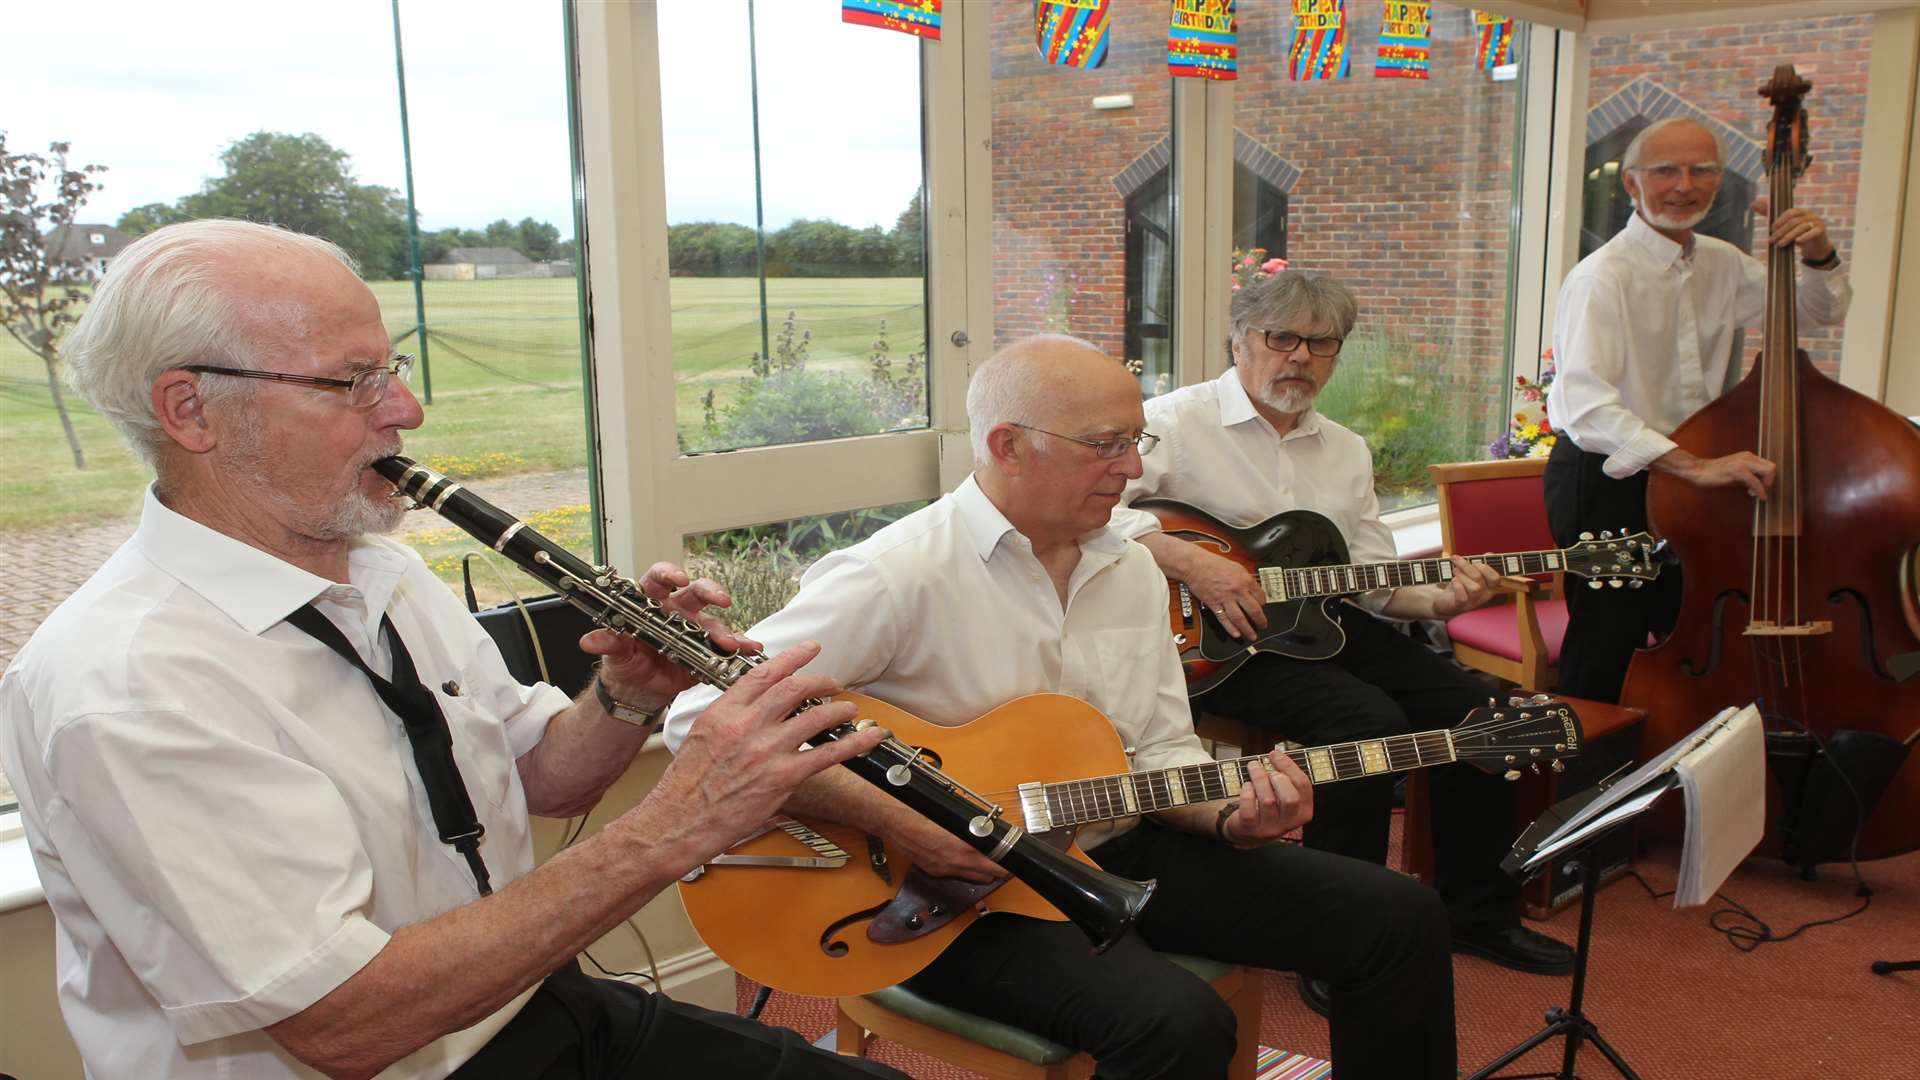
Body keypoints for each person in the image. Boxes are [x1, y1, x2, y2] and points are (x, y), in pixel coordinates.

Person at [0, 219, 903, 1080]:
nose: (408, 409)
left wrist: (627, 693)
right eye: (351, 381)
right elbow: (348, 1024)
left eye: (388, 368)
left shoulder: (382, 572)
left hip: (523, 1015)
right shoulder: (127, 685)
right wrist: (685, 818)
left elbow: (542, 779)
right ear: (190, 409)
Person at [665, 335, 1459, 1080]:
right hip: (942, 892)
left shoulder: (1134, 570)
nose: (1131, 471)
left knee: (1398, 914)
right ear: (1009, 445)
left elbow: (1158, 751)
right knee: (1175, 1024)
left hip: (1114, 842)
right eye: (1105, 445)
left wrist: (1228, 818)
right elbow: (701, 717)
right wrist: (906, 825)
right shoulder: (897, 575)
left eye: (1136, 442)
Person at [1108, 271, 1575, 1016]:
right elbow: (1094, 516)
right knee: (1366, 723)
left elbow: (1373, 580)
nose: (1299, 357)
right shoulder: (1170, 422)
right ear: (1240, 341)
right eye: (1281, 337)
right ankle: (1334, 930)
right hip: (1211, 640)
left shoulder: (1346, 450)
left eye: (1319, 343)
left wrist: (1444, 597)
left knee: (1481, 706)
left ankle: (1476, 911)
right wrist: (1191, 560)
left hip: (1320, 619)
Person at [1545, 116, 1851, 702]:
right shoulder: (1600, 278)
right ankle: (1591, 777)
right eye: (1665, 170)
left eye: (1701, 170)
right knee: (1610, 637)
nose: (1684, 184)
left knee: (1688, 619)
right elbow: (1583, 405)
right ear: (1632, 185)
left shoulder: (1722, 262)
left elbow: (1815, 313)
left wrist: (1819, 254)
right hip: (1608, 479)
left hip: (1691, 474)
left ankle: (1680, 750)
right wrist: (1696, 466)